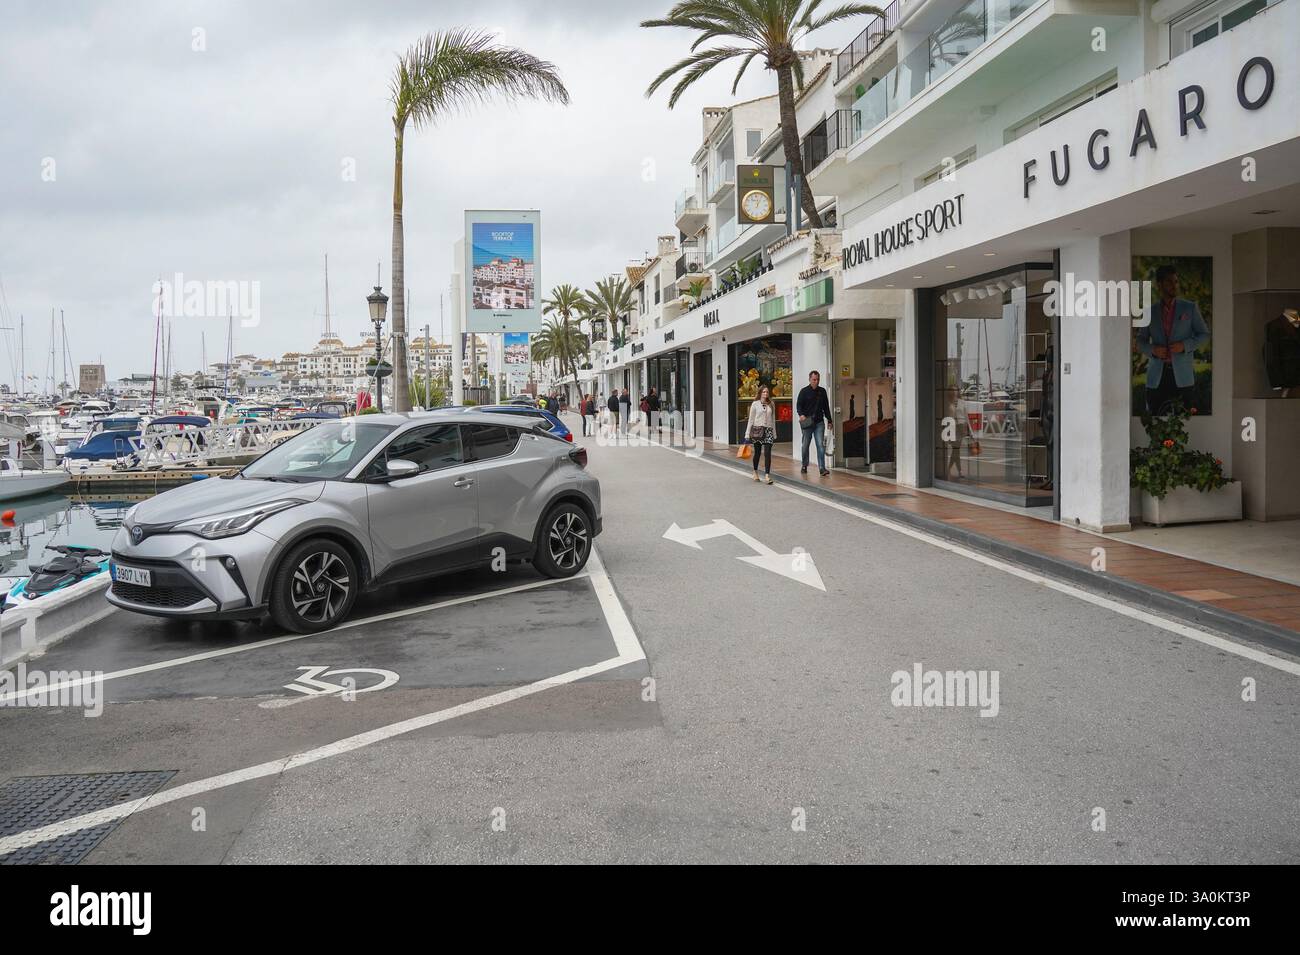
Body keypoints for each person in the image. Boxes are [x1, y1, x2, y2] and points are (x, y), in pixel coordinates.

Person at [1136, 263, 1209, 416]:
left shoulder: (1189, 308)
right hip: (1156, 378)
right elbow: (1140, 341)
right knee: (1155, 422)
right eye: (1169, 281)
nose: (1174, 285)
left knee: (1184, 424)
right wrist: (1153, 350)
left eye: (1176, 281)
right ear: (1160, 284)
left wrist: (1185, 345)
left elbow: (1204, 334)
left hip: (1183, 378)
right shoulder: (1149, 312)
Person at [796, 370, 833, 476]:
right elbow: (799, 405)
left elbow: (826, 407)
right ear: (809, 379)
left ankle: (822, 468)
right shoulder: (804, 391)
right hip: (807, 423)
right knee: (805, 445)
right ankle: (804, 465)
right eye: (814, 380)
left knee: (820, 445)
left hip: (819, 423)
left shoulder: (822, 391)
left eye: (817, 380)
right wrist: (801, 415)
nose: (816, 382)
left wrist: (830, 420)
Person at [747, 386, 777, 485]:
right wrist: (747, 433)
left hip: (768, 430)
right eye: (763, 392)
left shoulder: (771, 404)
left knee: (767, 453)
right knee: (758, 452)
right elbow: (751, 419)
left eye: (767, 392)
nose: (765, 394)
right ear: (760, 393)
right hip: (757, 430)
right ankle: (755, 471)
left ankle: (767, 475)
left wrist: (774, 433)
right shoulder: (755, 404)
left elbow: (773, 420)